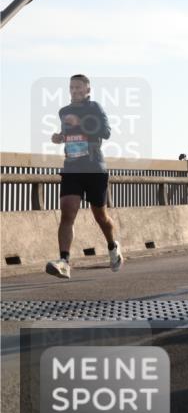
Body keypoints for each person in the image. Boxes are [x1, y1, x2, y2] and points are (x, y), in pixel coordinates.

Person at [45, 74, 123, 279]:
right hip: (72, 167)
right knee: (67, 213)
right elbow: (70, 134)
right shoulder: (64, 111)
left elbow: (105, 132)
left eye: (79, 87)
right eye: (72, 87)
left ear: (87, 90)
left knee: (101, 216)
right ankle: (64, 261)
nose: (75, 90)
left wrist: (80, 122)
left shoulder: (94, 108)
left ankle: (112, 246)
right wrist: (59, 137)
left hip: (94, 169)